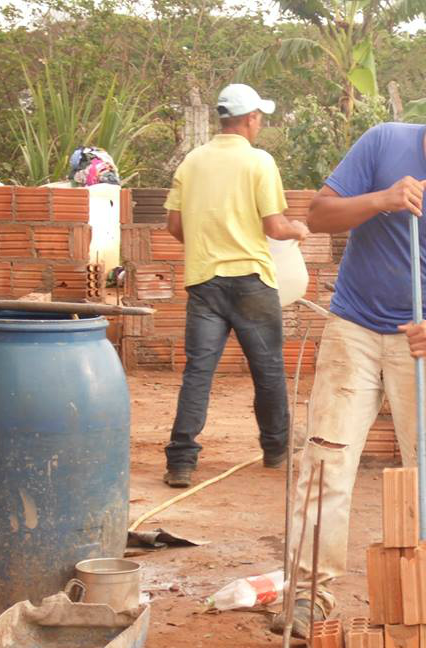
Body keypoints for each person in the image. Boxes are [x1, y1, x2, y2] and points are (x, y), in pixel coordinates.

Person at [272, 76, 426, 637]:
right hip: (353, 329)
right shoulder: (383, 143)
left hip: (424, 340)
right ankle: (309, 597)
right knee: (327, 460)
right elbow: (319, 214)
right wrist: (381, 200)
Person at [162, 83, 309, 488]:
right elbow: (275, 226)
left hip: (205, 283)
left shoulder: (191, 163)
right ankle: (276, 449)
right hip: (252, 283)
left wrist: (210, 248)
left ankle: (181, 461)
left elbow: (174, 226)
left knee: (198, 372)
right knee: (268, 370)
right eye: (260, 117)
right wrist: (297, 228)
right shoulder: (259, 162)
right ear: (250, 119)